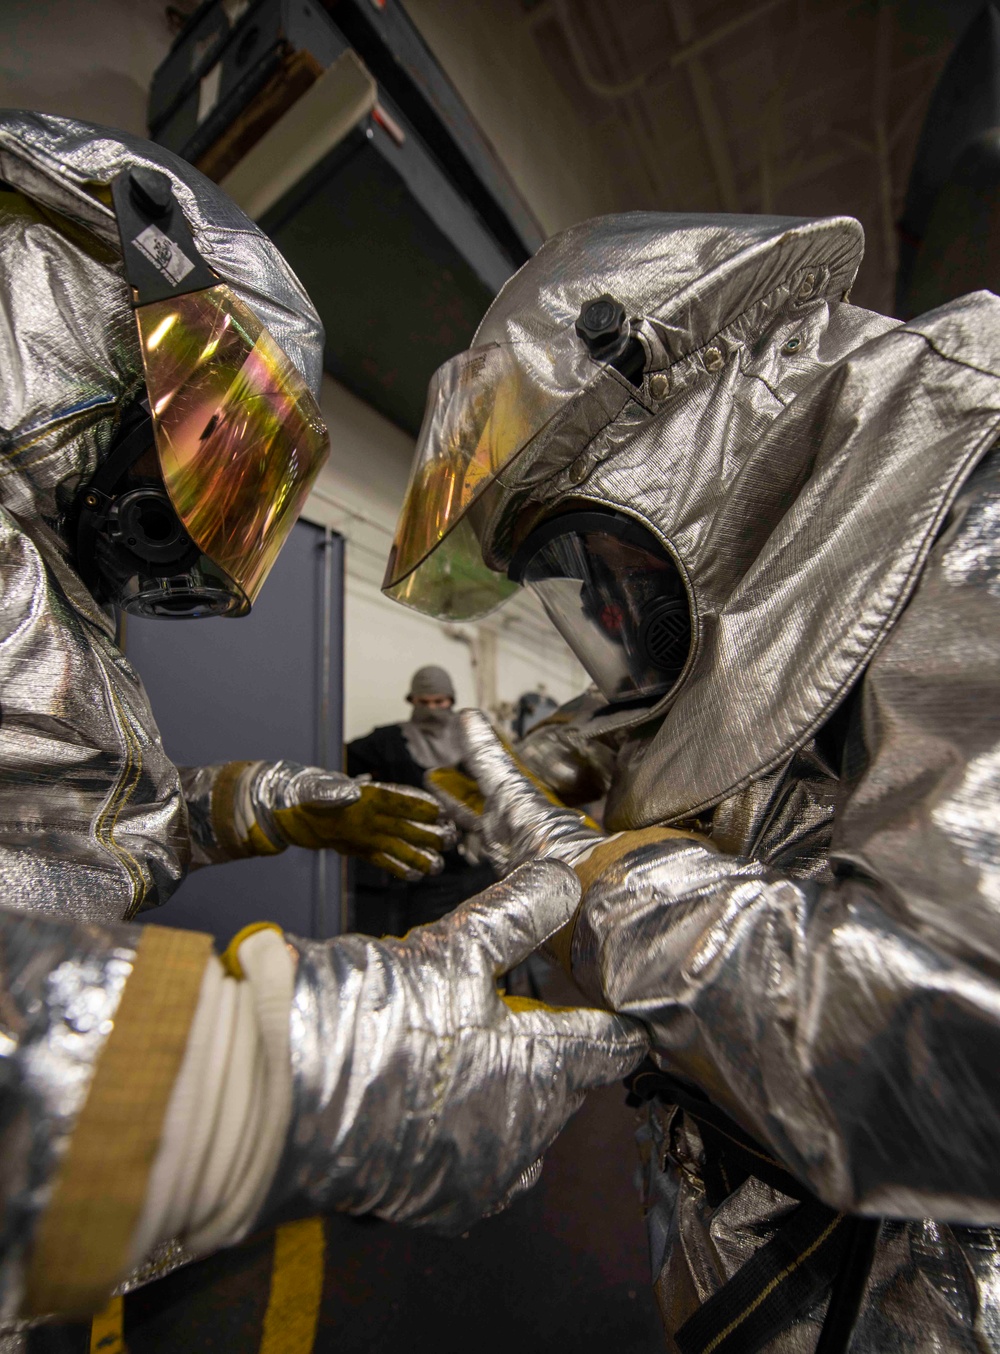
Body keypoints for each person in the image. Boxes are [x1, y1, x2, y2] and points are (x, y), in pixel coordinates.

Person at [0, 112, 647, 1331]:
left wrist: (247, 801)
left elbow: (41, 852)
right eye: (208, 438)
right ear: (65, 306)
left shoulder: (38, 587)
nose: (200, 504)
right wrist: (270, 1084)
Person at [383, 211, 1000, 1351]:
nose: (608, 622)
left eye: (593, 570)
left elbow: (963, 1043)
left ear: (688, 442)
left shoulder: (971, 499)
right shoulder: (783, 580)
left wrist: (626, 898)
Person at [347, 665, 495, 932]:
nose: (431, 710)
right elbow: (337, 762)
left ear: (451, 700)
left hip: (477, 870)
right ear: (412, 700)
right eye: (423, 702)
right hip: (420, 876)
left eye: (439, 702)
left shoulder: (477, 741)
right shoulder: (389, 742)